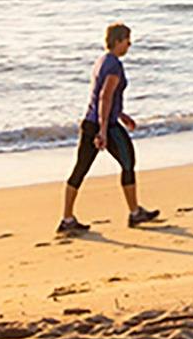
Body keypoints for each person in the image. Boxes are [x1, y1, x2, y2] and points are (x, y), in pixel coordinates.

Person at [61, 21, 156, 235]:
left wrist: (121, 114)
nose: (129, 45)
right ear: (118, 41)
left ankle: (67, 219)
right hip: (105, 126)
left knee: (80, 168)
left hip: (90, 122)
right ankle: (135, 213)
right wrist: (103, 130)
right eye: (127, 41)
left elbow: (105, 97)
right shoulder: (114, 65)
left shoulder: (101, 61)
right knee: (128, 161)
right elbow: (105, 97)